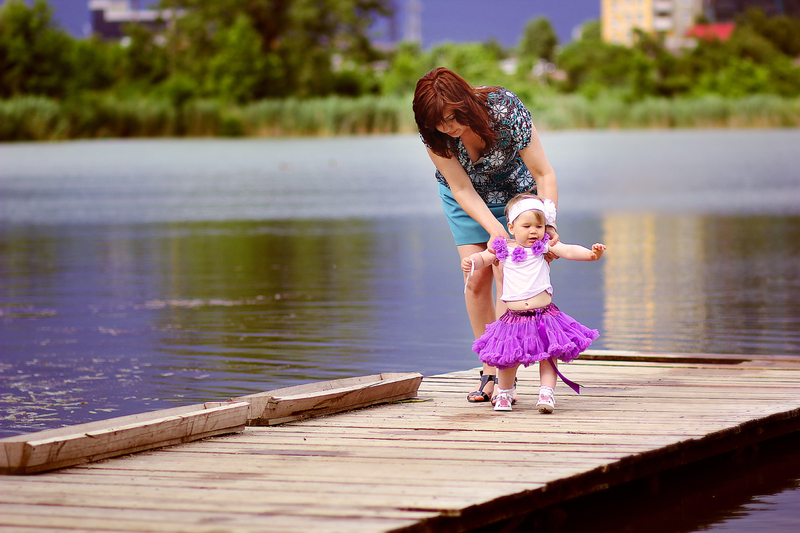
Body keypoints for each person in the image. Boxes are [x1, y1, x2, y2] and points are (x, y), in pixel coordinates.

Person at [413, 67, 560, 403]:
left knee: (506, 273)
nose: (448, 127)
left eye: (452, 117)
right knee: (475, 277)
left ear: (464, 101)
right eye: (439, 123)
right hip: (465, 199)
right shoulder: (433, 133)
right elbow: (461, 188)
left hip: (516, 198)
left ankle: (506, 367)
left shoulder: (505, 109)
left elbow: (543, 172)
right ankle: (489, 368)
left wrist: (548, 224)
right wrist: (495, 231)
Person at [462, 193, 605, 413]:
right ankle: (504, 393)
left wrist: (591, 254)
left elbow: (568, 250)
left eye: (539, 226)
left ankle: (546, 393)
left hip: (544, 315)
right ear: (511, 227)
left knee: (549, 355)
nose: (533, 231)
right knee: (507, 358)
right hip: (513, 318)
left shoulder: (545, 247)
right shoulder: (504, 249)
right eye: (526, 226)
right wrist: (472, 261)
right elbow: (484, 257)